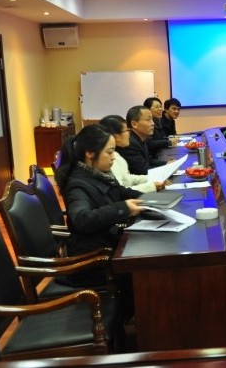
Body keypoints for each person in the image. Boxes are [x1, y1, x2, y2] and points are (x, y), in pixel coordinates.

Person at [55, 124, 144, 317]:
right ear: (89, 153)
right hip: (92, 261)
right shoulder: (78, 184)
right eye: (109, 152)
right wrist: (123, 208)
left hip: (106, 246)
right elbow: (82, 218)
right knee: (145, 270)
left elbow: (120, 192)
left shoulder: (98, 174)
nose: (114, 157)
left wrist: (151, 199)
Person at [100, 114, 170, 193]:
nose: (129, 134)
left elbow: (128, 178)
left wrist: (155, 178)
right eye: (126, 131)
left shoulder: (116, 154)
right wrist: (152, 186)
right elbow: (121, 192)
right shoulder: (109, 159)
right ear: (116, 136)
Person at [116, 105, 168, 175]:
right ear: (134, 124)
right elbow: (144, 171)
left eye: (152, 119)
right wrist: (167, 169)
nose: (153, 123)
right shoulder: (130, 143)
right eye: (148, 120)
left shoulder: (141, 138)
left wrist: (167, 163)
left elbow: (148, 161)